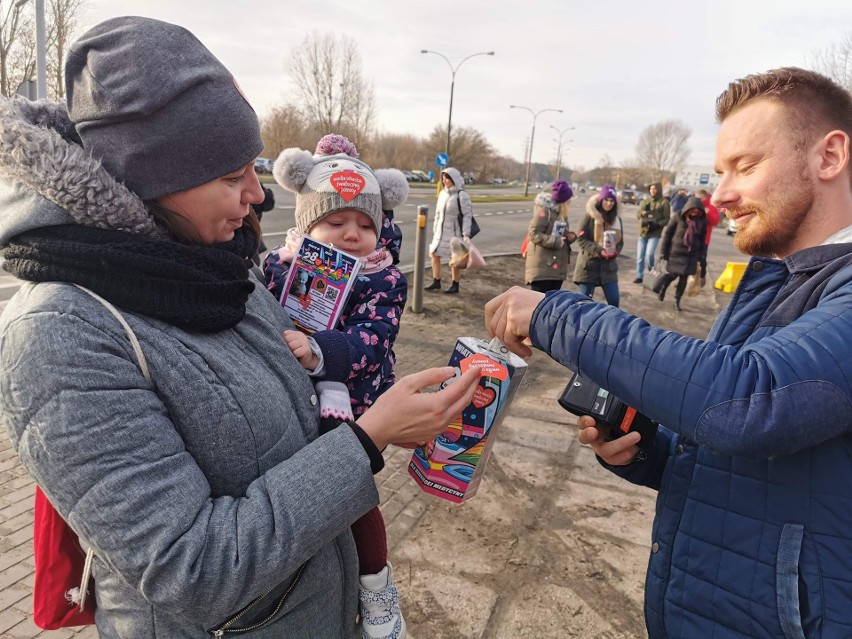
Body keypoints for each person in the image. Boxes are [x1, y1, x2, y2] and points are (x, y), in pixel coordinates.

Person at [0, 17, 480, 639]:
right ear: (151, 179)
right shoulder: (60, 335)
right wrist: (369, 438)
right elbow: (191, 570)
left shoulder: (214, 261)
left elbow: (287, 407)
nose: (258, 195)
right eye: (231, 177)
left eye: (251, 167)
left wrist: (387, 408)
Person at [484, 67, 852, 638]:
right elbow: (744, 448)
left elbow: (750, 401)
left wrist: (552, 313)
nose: (721, 193)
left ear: (829, 157)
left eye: (746, 166)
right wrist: (648, 452)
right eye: (720, 170)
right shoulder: (774, 280)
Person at [263, 134, 409, 638]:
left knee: (354, 496)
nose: (352, 234)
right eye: (336, 221)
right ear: (306, 223)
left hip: (354, 402)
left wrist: (322, 351)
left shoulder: (383, 281)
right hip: (286, 398)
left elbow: (374, 340)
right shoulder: (279, 266)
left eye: (366, 224)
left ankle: (376, 586)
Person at [572, 184, 623, 306]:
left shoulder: (616, 219)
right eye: (606, 200)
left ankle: (610, 324)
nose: (609, 203)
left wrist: (615, 251)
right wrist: (598, 250)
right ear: (601, 200)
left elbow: (620, 242)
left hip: (608, 267)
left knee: (614, 301)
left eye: (612, 201)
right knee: (584, 303)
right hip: (589, 266)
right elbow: (581, 239)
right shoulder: (589, 216)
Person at [425, 167, 473, 294]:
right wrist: (435, 228)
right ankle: (436, 281)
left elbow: (467, 215)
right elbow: (437, 213)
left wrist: (466, 233)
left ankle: (455, 284)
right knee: (434, 254)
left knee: (455, 259)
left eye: (448, 178)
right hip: (440, 232)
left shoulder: (462, 195)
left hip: (455, 232)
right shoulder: (442, 194)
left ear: (454, 179)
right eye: (443, 178)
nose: (445, 181)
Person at [523, 180, 576, 293]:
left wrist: (569, 236)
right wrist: (556, 242)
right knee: (539, 304)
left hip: (554, 269)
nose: (571, 202)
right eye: (569, 199)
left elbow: (558, 232)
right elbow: (533, 233)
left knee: (549, 305)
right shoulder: (544, 212)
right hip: (543, 269)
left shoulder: (560, 214)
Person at [657, 196, 708, 310]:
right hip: (675, 254)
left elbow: (702, 240)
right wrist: (663, 252)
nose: (695, 213)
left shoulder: (702, 221)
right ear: (688, 208)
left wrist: (702, 256)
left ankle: (677, 300)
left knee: (683, 280)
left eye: (698, 211)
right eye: (693, 210)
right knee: (671, 275)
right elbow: (667, 235)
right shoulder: (678, 216)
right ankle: (663, 288)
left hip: (691, 256)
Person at [634, 182, 670, 283]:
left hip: (655, 232)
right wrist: (643, 213)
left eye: (654, 189)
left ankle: (651, 272)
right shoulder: (646, 200)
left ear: (658, 189)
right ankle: (639, 276)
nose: (652, 191)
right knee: (640, 256)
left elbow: (667, 218)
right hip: (643, 232)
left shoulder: (664, 202)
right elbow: (638, 213)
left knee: (649, 254)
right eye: (650, 189)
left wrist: (658, 224)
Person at [696, 188, 721, 285]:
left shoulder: (711, 207)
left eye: (699, 198)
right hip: (692, 237)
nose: (698, 200)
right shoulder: (695, 204)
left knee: (701, 258)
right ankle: (686, 279)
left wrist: (707, 213)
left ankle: (702, 276)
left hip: (704, 238)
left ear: (704, 197)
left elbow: (715, 221)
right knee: (689, 258)